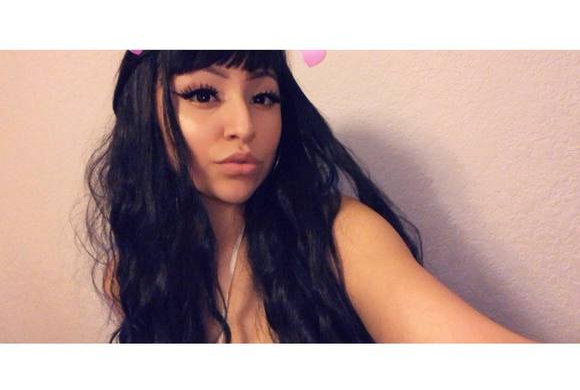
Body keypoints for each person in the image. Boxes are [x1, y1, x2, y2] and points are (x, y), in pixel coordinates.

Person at [83, 50, 535, 343]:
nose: (244, 126)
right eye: (204, 93)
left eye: (263, 97)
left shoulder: (339, 236)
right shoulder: (130, 273)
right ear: (144, 113)